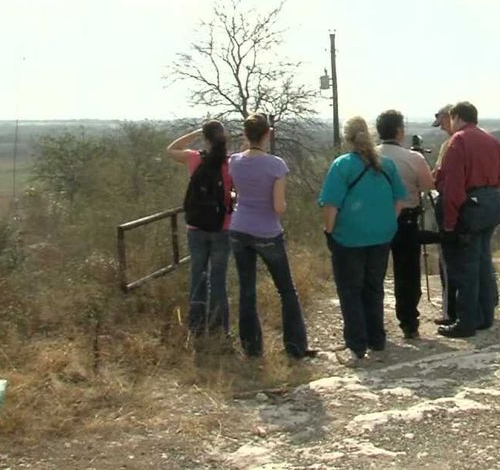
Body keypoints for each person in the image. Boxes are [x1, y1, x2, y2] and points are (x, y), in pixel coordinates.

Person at [228, 114, 314, 359]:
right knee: (286, 290)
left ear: (245, 134)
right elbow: (278, 207)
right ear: (268, 133)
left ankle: (252, 349)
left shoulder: (234, 161)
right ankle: (295, 347)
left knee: (247, 289)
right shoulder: (276, 165)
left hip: (239, 228)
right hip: (267, 231)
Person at [319, 116, 407, 359]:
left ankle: (357, 343)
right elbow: (400, 199)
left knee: (350, 290)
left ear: (348, 138)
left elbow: (330, 205)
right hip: (381, 236)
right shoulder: (386, 165)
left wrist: (329, 231)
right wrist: (388, 222)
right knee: (374, 288)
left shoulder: (342, 165)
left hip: (348, 238)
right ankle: (377, 338)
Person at [434, 101, 500, 338]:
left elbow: (454, 187)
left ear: (456, 117)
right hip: (492, 202)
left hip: (471, 204)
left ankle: (466, 321)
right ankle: (485, 317)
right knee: (484, 261)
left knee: (466, 265)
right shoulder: (491, 139)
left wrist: (449, 223)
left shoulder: (459, 141)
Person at [166, 120, 234, 351]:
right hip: (222, 227)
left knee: (198, 277)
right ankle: (219, 331)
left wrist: (195, 133)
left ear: (205, 139)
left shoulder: (195, 158)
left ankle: (195, 329)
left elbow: (171, 149)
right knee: (218, 280)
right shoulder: (230, 162)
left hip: (196, 229)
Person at [375, 110, 434, 339]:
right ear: (400, 131)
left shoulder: (370, 156)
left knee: (374, 272)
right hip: (407, 219)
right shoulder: (413, 158)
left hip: (376, 218)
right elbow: (428, 185)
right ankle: (409, 321)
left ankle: (374, 324)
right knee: (407, 273)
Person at [430, 103, 457, 325]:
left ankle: (452, 311)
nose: (442, 128)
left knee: (448, 260)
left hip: (450, 204)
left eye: (443, 123)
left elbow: (440, 176)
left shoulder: (453, 144)